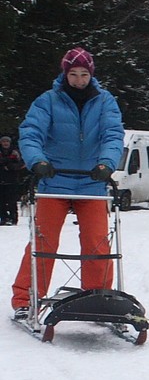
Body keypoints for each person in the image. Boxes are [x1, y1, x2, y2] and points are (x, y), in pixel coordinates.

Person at [10, 46, 124, 320]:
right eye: (73, 74)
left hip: (91, 183)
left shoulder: (105, 101)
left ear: (91, 74)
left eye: (84, 74)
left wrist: (106, 164)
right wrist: (37, 161)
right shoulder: (48, 100)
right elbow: (31, 132)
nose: (79, 80)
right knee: (43, 242)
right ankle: (27, 298)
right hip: (54, 180)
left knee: (97, 242)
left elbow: (112, 134)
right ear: (65, 74)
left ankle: (98, 296)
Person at [0, 136, 23, 225]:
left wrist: (11, 166)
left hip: (12, 180)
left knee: (11, 201)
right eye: (3, 141)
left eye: (7, 141)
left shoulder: (15, 152)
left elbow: (21, 163)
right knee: (1, 201)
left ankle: (13, 218)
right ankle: (3, 218)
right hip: (1, 180)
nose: (5, 143)